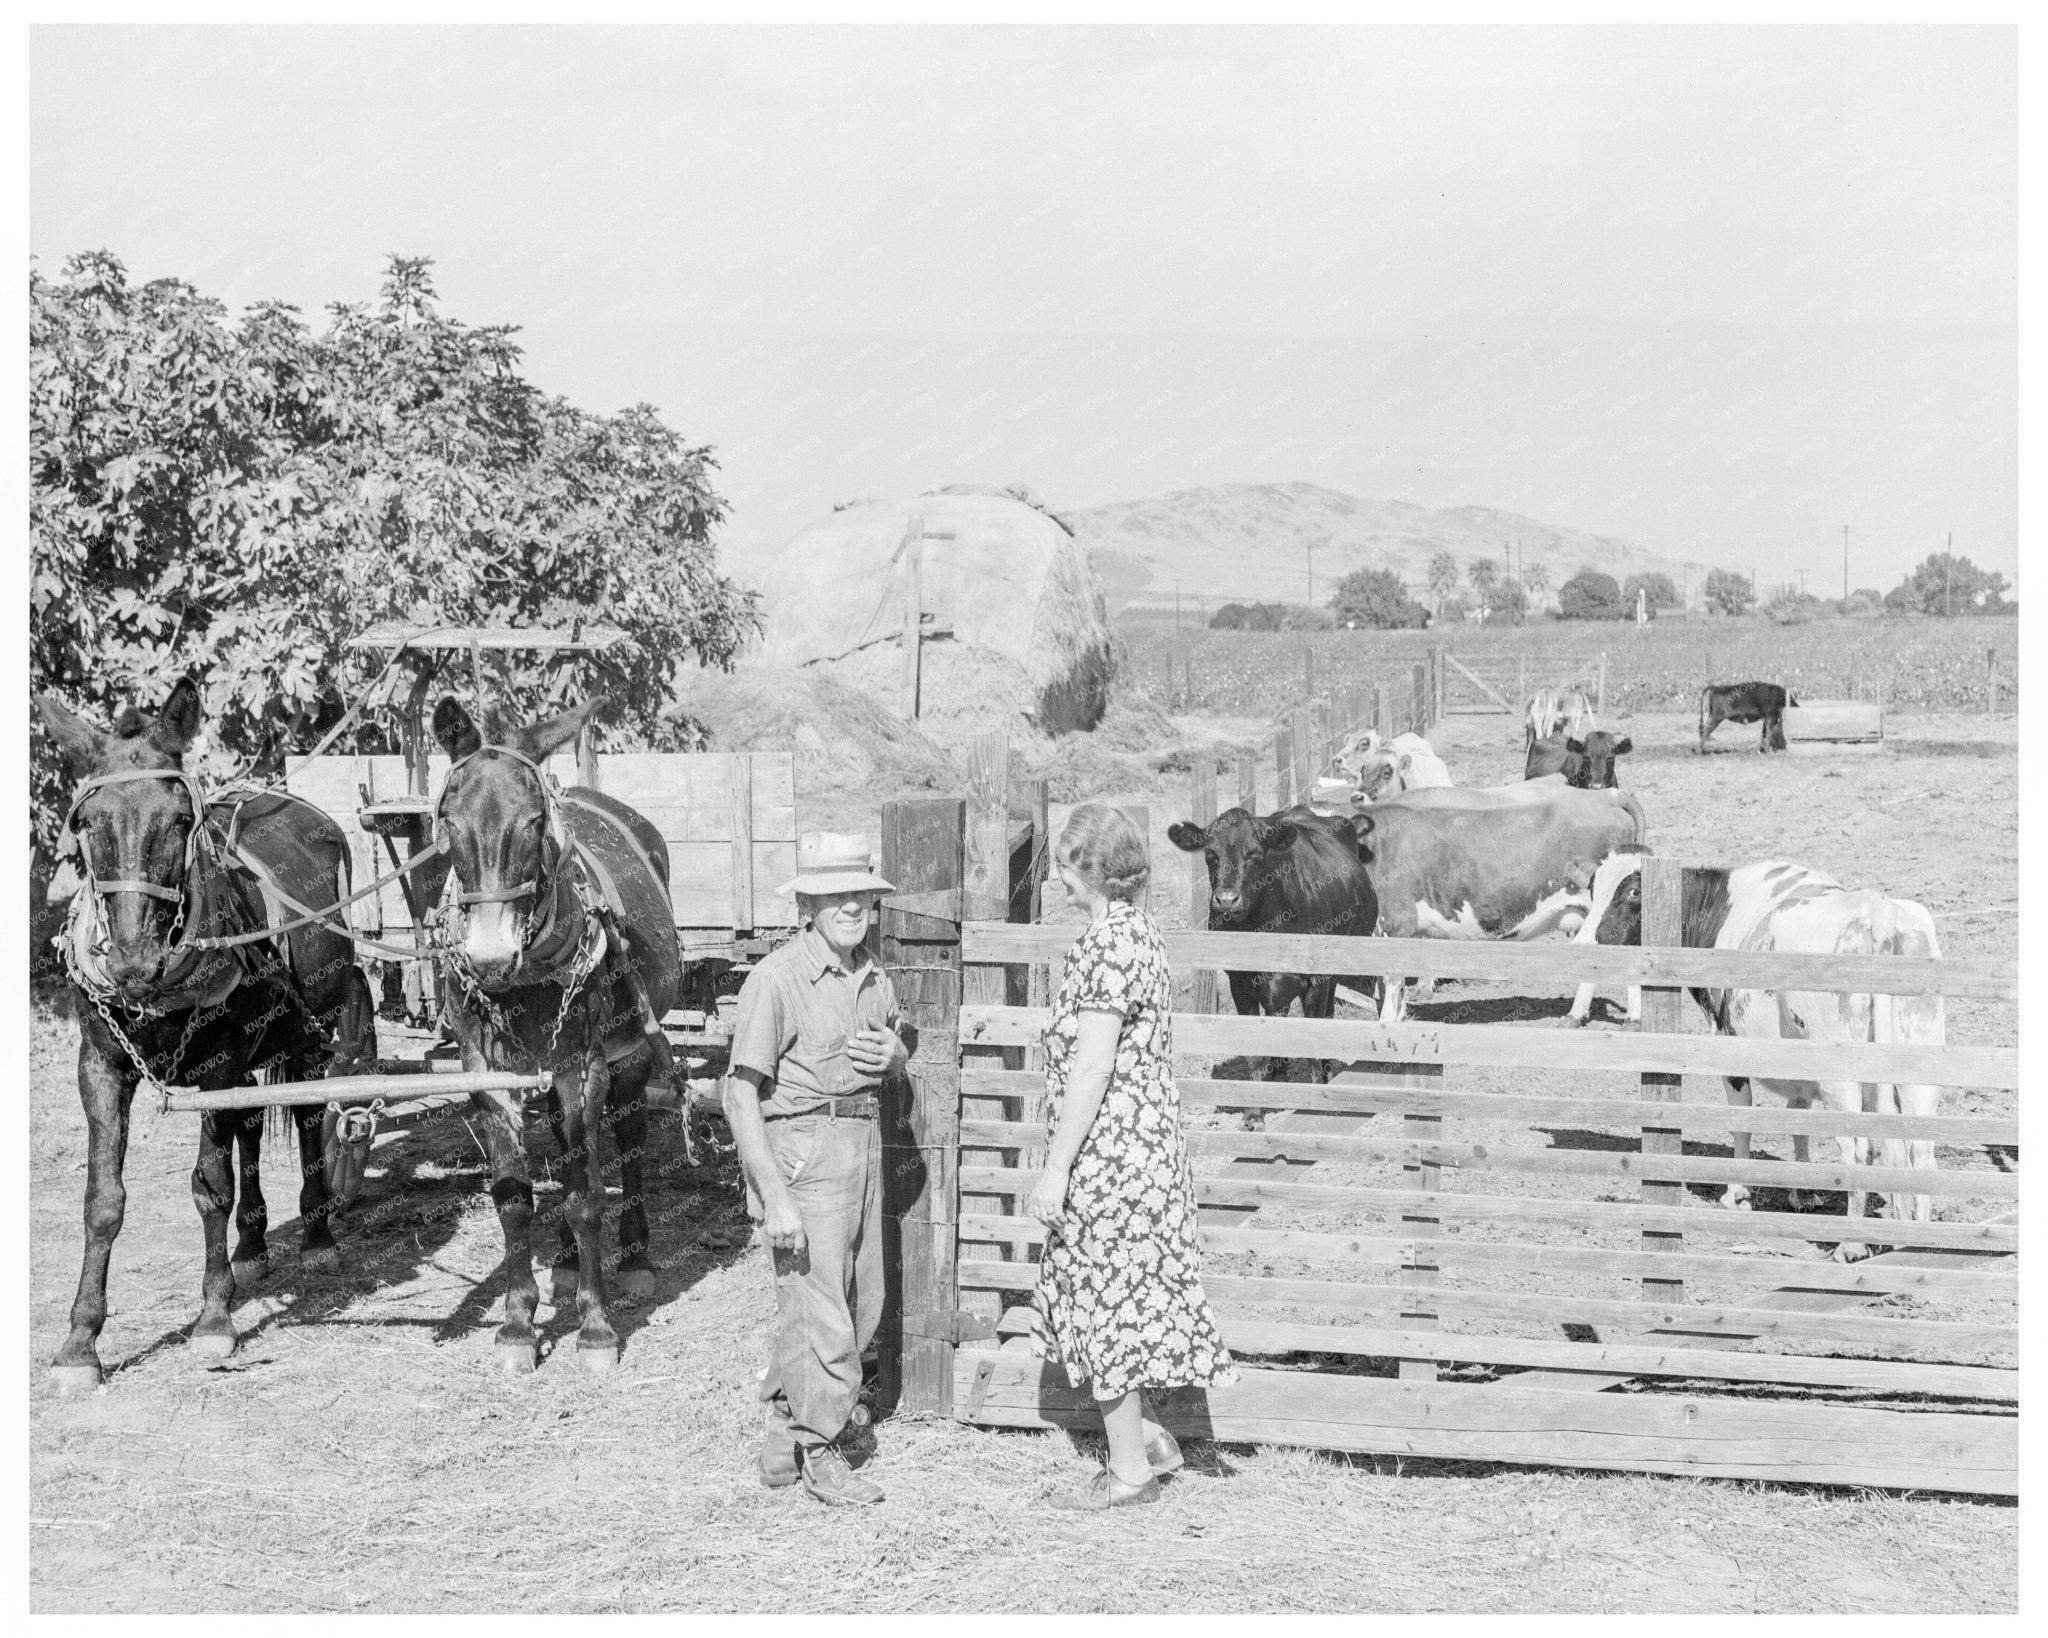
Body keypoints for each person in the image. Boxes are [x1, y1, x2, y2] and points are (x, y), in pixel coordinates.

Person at [1025, 802, 1237, 1511]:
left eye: (1065, 863)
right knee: (1122, 1296)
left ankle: (1129, 1474)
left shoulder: (1106, 944)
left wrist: (1056, 1169)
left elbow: (1093, 1066)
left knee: (1106, 1302)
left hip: (1110, 1155)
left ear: (1090, 869)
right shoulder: (1138, 930)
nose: (1058, 876)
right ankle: (1146, 1440)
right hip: (1143, 1149)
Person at [723, 831, 907, 1507]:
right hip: (804, 1148)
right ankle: (818, 1448)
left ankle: (783, 1431)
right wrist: (775, 1195)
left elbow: (895, 1051)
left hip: (863, 1142)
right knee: (822, 1307)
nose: (851, 906)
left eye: (860, 893)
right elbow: (739, 1093)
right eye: (835, 896)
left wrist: (897, 1057)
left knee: (859, 1298)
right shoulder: (776, 979)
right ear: (807, 905)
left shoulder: (873, 975)